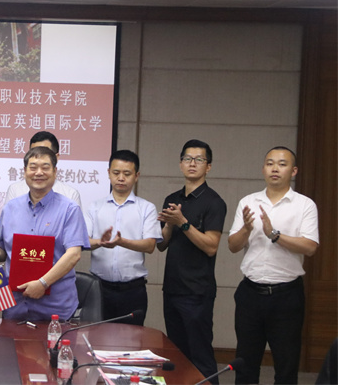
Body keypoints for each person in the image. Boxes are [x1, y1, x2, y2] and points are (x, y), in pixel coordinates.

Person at [228, 146, 319, 385]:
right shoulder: (248, 202)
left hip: (286, 296)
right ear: (263, 169)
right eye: (270, 163)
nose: (275, 168)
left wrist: (274, 234)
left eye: (282, 164)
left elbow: (310, 247)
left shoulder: (304, 205)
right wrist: (247, 229)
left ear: (294, 171)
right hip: (250, 293)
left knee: (286, 367)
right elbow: (233, 246)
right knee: (245, 365)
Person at [156, 139, 226, 383]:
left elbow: (211, 246)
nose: (192, 163)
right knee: (178, 356)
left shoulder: (214, 202)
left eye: (199, 159)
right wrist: (167, 226)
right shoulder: (172, 198)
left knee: (201, 356)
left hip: (197, 292)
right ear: (180, 164)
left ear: (208, 166)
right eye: (187, 159)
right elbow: (162, 245)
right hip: (172, 288)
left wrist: (182, 223)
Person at [0, 146, 90, 321]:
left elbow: (74, 254)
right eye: (33, 167)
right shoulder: (10, 208)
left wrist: (43, 283)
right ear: (25, 171)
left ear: (55, 172)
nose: (38, 172)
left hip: (55, 306)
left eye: (45, 167)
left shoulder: (69, 209)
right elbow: (2, 250)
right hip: (15, 304)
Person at [85, 150, 162, 325]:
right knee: (97, 336)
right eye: (116, 173)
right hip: (99, 289)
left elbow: (150, 245)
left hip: (133, 290)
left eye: (127, 174)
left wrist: (122, 242)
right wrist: (101, 242)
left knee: (132, 338)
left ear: (137, 176)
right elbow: (84, 242)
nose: (121, 178)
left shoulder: (146, 208)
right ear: (108, 173)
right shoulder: (94, 207)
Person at [3, 131, 82, 207]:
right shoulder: (15, 190)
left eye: (44, 153)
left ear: (56, 157)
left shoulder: (70, 194)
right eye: (34, 153)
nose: (39, 158)